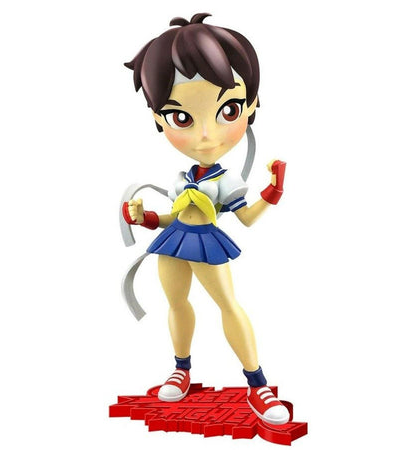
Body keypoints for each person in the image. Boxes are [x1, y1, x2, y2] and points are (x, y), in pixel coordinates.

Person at [122, 12, 288, 425]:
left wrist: (274, 190)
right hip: (173, 242)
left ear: (251, 104)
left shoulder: (226, 179)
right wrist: (145, 218)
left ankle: (258, 383)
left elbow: (246, 218)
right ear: (158, 117)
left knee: (228, 305)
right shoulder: (182, 178)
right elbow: (173, 216)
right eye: (182, 117)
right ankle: (181, 368)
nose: (205, 135)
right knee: (177, 304)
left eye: (228, 110)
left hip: (207, 244)